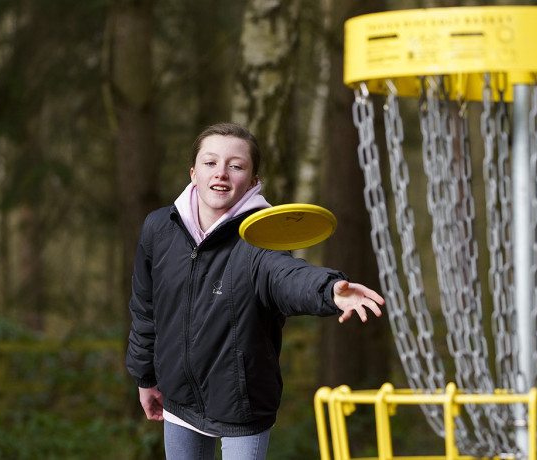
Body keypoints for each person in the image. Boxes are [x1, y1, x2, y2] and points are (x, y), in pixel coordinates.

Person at [125, 122, 384, 460]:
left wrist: (330, 289)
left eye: (236, 166)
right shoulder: (159, 228)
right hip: (179, 399)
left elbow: (287, 276)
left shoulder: (261, 237)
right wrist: (146, 377)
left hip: (242, 405)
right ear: (193, 172)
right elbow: (145, 309)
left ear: (253, 181)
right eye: (210, 163)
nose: (221, 173)